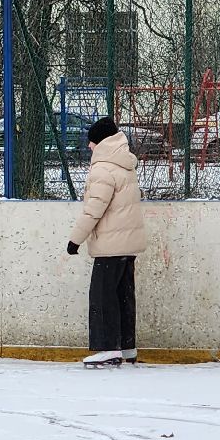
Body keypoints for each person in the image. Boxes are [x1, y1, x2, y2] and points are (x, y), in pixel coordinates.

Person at [67, 117, 147, 369]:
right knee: (123, 295)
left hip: (110, 244)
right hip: (127, 244)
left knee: (102, 298)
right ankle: (127, 346)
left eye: (91, 141)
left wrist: (75, 240)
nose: (89, 146)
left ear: (101, 141)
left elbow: (94, 209)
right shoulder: (124, 163)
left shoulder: (103, 168)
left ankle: (107, 349)